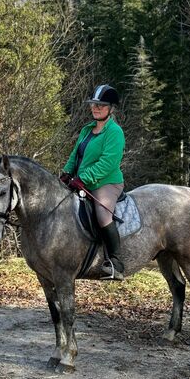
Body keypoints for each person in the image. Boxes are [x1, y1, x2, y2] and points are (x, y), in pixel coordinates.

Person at [60, 84, 125, 280]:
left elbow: (107, 163)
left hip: (106, 183)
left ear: (111, 109)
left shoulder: (115, 132)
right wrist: (66, 173)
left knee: (103, 212)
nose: (95, 108)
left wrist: (83, 178)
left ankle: (116, 262)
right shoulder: (87, 129)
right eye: (93, 105)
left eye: (101, 105)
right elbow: (75, 155)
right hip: (82, 182)